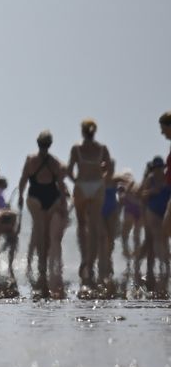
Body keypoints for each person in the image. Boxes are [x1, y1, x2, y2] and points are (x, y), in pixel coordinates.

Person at [17, 131, 68, 299]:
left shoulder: (52, 163)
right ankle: (41, 266)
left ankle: (42, 265)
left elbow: (60, 185)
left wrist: (63, 204)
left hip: (49, 197)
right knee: (41, 230)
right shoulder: (40, 161)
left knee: (45, 233)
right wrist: (20, 196)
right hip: (37, 196)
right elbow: (24, 179)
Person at [66, 119, 116, 291]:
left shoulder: (76, 149)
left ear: (82, 131)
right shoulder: (102, 149)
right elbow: (110, 169)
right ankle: (91, 263)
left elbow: (69, 170)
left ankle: (84, 258)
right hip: (97, 186)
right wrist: (102, 180)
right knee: (94, 227)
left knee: (82, 224)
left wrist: (76, 181)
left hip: (81, 185)